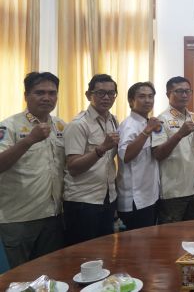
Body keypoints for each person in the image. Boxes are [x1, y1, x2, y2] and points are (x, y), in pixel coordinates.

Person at [0, 72, 65, 268]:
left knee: (49, 275)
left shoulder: (61, 126)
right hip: (19, 218)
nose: (46, 97)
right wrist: (29, 140)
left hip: (53, 215)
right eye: (39, 92)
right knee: (18, 279)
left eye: (52, 93)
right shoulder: (9, 126)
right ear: (26, 95)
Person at [63, 74, 120, 245]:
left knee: (105, 250)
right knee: (83, 254)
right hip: (83, 201)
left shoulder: (113, 120)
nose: (106, 97)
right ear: (89, 95)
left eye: (111, 93)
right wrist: (101, 149)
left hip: (108, 197)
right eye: (101, 93)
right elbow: (73, 167)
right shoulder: (78, 124)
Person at [152, 77, 194, 224]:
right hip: (173, 193)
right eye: (179, 91)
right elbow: (158, 154)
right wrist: (179, 134)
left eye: (187, 91)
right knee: (171, 236)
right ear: (168, 94)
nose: (184, 95)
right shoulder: (161, 120)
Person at [116, 82, 161, 230]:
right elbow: (126, 156)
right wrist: (147, 131)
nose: (147, 100)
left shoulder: (148, 123)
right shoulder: (128, 125)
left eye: (150, 96)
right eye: (142, 96)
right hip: (135, 200)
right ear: (131, 101)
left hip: (150, 196)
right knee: (137, 243)